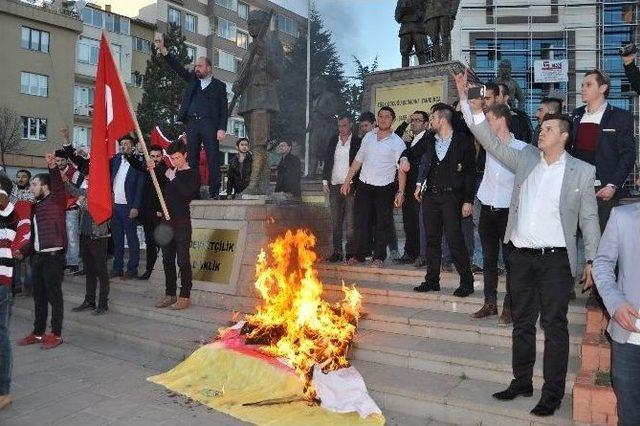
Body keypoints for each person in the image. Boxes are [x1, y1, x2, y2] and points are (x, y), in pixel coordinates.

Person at [454, 69, 600, 416]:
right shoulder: (526, 158)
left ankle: (552, 394)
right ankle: (521, 381)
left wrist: (592, 259)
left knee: (554, 326)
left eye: (548, 128)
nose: (540, 130)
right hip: (520, 256)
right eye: (541, 127)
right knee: (522, 322)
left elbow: (589, 220)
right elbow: (487, 138)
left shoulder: (581, 172)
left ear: (563, 136)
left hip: (556, 261)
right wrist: (468, 100)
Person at [407, 103, 476, 297]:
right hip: (431, 197)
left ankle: (467, 282)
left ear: (443, 119)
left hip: (452, 197)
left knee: (455, 240)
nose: (431, 121)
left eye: (433, 118)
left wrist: (468, 200)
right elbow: (415, 156)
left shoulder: (463, 141)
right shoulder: (429, 139)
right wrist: (416, 179)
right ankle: (432, 281)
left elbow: (470, 173)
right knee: (432, 239)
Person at [469, 103, 527, 322]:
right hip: (487, 210)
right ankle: (489, 304)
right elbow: (473, 122)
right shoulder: (489, 144)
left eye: (490, 119)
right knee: (489, 262)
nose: (487, 124)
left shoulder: (522, 148)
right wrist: (466, 96)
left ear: (501, 119)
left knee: (511, 262)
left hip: (509, 214)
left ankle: (510, 307)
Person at [154, 33, 228, 199]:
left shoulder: (219, 86)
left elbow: (224, 109)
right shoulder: (193, 80)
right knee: (192, 160)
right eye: (196, 66)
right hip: (192, 124)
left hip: (210, 125)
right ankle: (193, 192)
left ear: (209, 68)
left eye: (200, 66)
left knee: (213, 158)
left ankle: (214, 192)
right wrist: (164, 50)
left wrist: (222, 128)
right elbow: (178, 68)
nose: (197, 69)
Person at [132, 141, 199, 310]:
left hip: (182, 224)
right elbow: (156, 170)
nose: (175, 161)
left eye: (177, 158)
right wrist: (151, 165)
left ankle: (185, 295)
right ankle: (170, 294)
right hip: (166, 224)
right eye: (172, 158)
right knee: (167, 260)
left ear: (185, 155)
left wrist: (173, 177)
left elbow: (186, 194)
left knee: (183, 260)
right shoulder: (171, 170)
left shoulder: (192, 174)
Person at [592, 204, 640, 426]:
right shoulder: (623, 217)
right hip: (630, 337)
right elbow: (602, 264)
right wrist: (615, 302)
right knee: (629, 416)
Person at [570, 69, 636, 230]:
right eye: (582, 85)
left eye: (588, 85)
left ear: (603, 88)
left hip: (603, 191)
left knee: (602, 244)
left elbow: (628, 155)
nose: (583, 88)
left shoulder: (620, 116)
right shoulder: (576, 115)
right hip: (576, 189)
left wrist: (612, 185)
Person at [342, 107, 407, 268]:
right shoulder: (368, 137)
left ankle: (379, 257)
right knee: (360, 221)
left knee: (382, 223)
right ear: (377, 119)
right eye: (381, 116)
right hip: (364, 185)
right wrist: (346, 181)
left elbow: (402, 169)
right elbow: (357, 161)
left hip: (385, 188)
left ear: (392, 120)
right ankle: (359, 255)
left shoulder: (397, 142)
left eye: (387, 117)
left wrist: (401, 192)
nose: (383, 119)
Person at [18, 153, 68, 350]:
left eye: (34, 185)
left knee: (54, 296)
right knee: (39, 297)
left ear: (45, 186)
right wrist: (24, 251)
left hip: (53, 257)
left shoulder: (56, 200)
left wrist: (53, 166)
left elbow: (57, 183)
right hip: (38, 257)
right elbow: (35, 236)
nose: (31, 188)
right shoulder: (36, 207)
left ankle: (55, 335)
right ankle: (38, 333)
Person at [0, 173, 32, 409]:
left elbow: (22, 235)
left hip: (1, 283)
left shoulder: (10, 212)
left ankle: (3, 391)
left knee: (1, 338)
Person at [66, 176, 111, 315]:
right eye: (86, 177)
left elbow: (91, 205)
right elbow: (74, 191)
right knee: (89, 270)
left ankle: (103, 304)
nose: (87, 179)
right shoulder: (87, 191)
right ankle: (90, 301)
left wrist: (81, 200)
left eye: (90, 177)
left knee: (101, 272)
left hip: (98, 237)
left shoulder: (105, 194)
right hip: (85, 235)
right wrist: (63, 180)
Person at [322, 115, 361, 262]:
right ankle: (337, 252)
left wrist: (354, 184)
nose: (342, 129)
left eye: (344, 125)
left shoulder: (357, 141)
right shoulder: (333, 140)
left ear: (351, 125)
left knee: (351, 222)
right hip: (334, 185)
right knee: (336, 222)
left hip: (350, 186)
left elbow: (360, 164)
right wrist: (325, 182)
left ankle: (350, 252)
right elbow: (328, 160)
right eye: (339, 126)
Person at [395, 111, 430, 264]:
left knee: (420, 223)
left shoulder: (429, 138)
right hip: (408, 187)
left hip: (421, 187)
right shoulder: (410, 141)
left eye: (418, 120)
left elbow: (413, 154)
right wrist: (403, 156)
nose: (414, 122)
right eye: (412, 120)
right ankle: (410, 253)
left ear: (425, 123)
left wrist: (405, 154)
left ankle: (423, 255)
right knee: (408, 221)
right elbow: (402, 148)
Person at [110, 136, 145, 279]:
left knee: (132, 239)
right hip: (115, 206)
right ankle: (117, 268)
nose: (123, 146)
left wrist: (135, 206)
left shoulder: (138, 163)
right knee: (117, 239)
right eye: (121, 144)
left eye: (126, 144)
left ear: (132, 146)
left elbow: (140, 187)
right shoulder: (117, 159)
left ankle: (132, 269)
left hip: (129, 206)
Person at [55, 149, 84, 273]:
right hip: (57, 209)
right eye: (57, 160)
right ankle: (64, 261)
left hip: (71, 209)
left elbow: (81, 191)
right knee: (60, 237)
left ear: (67, 160)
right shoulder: (53, 171)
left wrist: (77, 205)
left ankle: (74, 263)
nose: (60, 163)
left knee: (72, 237)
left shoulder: (76, 173)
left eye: (62, 160)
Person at [11, 169, 34, 297]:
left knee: (28, 261)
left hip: (28, 231)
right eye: (18, 176)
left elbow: (31, 202)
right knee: (15, 260)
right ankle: (17, 286)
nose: (20, 179)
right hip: (15, 229)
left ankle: (28, 287)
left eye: (24, 177)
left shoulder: (33, 191)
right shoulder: (12, 192)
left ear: (28, 179)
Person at [395, 0, 428, 67]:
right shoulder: (401, 1)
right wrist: (403, 11)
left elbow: (426, 12)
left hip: (418, 28)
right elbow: (397, 17)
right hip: (405, 29)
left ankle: (424, 71)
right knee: (404, 53)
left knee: (421, 52)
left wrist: (415, 11)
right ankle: (404, 73)